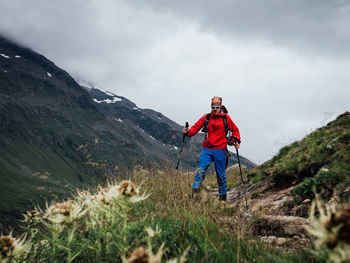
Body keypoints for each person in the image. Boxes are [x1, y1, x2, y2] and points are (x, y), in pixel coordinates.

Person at [183, 96, 241, 201]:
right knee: (200, 169)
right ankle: (194, 193)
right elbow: (195, 129)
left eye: (217, 107)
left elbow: (235, 130)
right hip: (207, 149)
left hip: (220, 149)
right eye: (213, 107)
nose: (215, 109)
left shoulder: (226, 118)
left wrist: (236, 140)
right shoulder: (206, 117)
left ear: (220, 107)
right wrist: (187, 132)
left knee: (221, 174)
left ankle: (222, 198)